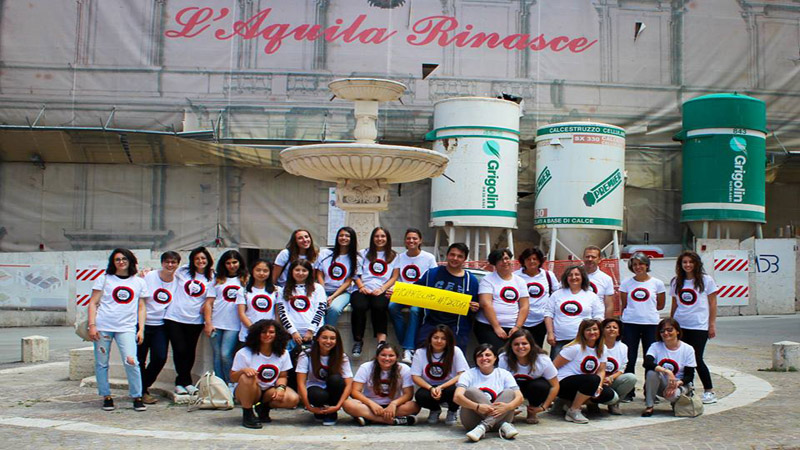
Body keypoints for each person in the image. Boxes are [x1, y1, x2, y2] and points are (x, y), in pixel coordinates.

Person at [87, 248, 150, 412]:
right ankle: (106, 396)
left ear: (130, 261)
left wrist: (141, 329)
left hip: (126, 327)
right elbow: (93, 303)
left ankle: (137, 396)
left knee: (132, 361)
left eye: (124, 259)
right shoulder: (104, 279)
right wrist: (92, 325)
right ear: (112, 262)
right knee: (102, 363)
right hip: (103, 327)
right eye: (117, 259)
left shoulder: (139, 282)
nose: (121, 262)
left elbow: (142, 307)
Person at [164, 246, 216, 395]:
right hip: (175, 317)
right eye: (197, 258)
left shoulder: (212, 277)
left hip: (195, 320)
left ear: (208, 260)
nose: (200, 261)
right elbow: (167, 272)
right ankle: (181, 382)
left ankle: (185, 382)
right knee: (179, 349)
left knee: (190, 351)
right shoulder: (184, 272)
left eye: (203, 258)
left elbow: (211, 298)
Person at [230, 319, 299, 428]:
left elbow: (282, 376)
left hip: (268, 390)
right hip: (248, 390)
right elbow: (233, 378)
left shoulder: (283, 353)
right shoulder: (244, 353)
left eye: (271, 332)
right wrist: (243, 371)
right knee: (247, 378)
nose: (267, 335)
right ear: (257, 334)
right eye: (263, 332)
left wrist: (281, 388)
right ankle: (247, 413)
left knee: (292, 398)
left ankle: (263, 408)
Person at [670, 250, 718, 404]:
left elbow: (712, 303)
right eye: (684, 262)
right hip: (680, 325)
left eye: (691, 262)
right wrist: (671, 323)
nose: (688, 265)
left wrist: (711, 324)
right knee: (683, 358)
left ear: (697, 263)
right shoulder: (676, 281)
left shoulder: (706, 280)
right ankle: (688, 386)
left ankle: (709, 390)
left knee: (696, 358)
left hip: (699, 325)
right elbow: (674, 303)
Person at [618, 252, 665, 401]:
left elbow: (660, 304)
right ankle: (628, 391)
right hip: (630, 324)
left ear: (647, 265)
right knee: (629, 357)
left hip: (651, 324)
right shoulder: (626, 283)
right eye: (635, 265)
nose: (638, 267)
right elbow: (624, 304)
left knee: (650, 358)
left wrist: (646, 311)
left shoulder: (657, 283)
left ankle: (650, 392)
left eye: (641, 264)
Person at [415, 243, 480, 351]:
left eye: (460, 256)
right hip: (431, 323)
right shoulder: (432, 273)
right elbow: (414, 291)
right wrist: (396, 291)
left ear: (465, 259)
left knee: (454, 357)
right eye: (452, 255)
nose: (455, 258)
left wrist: (475, 307)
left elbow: (476, 305)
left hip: (457, 327)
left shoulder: (471, 280)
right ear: (447, 255)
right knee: (422, 352)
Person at [388, 228, 439, 364]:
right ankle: (407, 344)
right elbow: (396, 277)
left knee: (415, 311)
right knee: (392, 307)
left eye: (415, 238)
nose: (411, 241)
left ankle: (408, 348)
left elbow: (433, 278)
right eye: (409, 238)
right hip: (403, 293)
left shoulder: (429, 258)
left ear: (420, 240)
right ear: (405, 241)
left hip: (420, 295)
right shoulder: (400, 257)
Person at [453, 344, 523, 442]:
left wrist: (508, 407)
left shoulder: (504, 374)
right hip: (473, 422)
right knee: (471, 391)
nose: (484, 358)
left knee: (509, 392)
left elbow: (520, 397)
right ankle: (501, 425)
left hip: (497, 417)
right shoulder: (468, 374)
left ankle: (483, 427)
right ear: (475, 359)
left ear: (495, 358)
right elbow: (457, 397)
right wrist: (477, 407)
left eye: (488, 355)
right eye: (480, 355)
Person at [553, 319, 615, 424]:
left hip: (586, 384)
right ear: (582, 332)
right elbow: (553, 367)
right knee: (592, 379)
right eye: (588, 330)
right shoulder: (574, 348)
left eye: (595, 329)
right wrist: (553, 389)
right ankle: (574, 410)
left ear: (600, 331)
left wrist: (599, 387)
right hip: (564, 383)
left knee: (608, 394)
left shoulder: (602, 348)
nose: (592, 332)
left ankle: (568, 403)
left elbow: (601, 370)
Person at [138, 251, 180, 404]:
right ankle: (141, 392)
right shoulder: (150, 276)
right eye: (167, 262)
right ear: (162, 263)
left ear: (177, 264)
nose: (170, 265)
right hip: (143, 323)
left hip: (161, 326)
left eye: (173, 262)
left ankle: (142, 386)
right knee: (139, 359)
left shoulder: (178, 280)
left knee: (160, 357)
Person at [344, 343, 420, 425]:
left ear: (397, 357)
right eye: (383, 355)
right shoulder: (366, 367)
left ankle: (369, 418)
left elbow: (408, 394)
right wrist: (371, 403)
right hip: (369, 406)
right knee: (348, 404)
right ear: (377, 356)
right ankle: (392, 421)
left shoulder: (404, 369)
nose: (387, 358)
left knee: (414, 406)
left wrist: (394, 404)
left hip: (394, 406)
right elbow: (355, 391)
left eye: (391, 356)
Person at [350, 227, 398, 357]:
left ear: (387, 239)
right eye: (377, 236)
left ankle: (381, 342)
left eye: (383, 236)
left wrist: (382, 289)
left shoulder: (394, 256)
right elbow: (355, 274)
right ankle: (358, 340)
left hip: (381, 289)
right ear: (372, 238)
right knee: (359, 306)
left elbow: (394, 276)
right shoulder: (363, 253)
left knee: (379, 306)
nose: (379, 239)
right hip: (362, 288)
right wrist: (361, 287)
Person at [411, 325, 469, 425]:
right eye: (436, 337)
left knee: (456, 390)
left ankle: (452, 411)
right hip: (430, 387)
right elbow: (415, 376)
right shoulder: (420, 352)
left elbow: (462, 374)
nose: (439, 341)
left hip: (449, 386)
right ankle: (435, 410)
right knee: (420, 395)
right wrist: (431, 388)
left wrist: (441, 387)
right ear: (430, 339)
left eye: (443, 338)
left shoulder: (455, 351)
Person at [296, 325, 354, 426]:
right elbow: (301, 383)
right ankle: (320, 409)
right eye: (324, 337)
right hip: (315, 388)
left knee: (336, 379)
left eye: (332, 338)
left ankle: (331, 412)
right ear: (317, 338)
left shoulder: (342, 357)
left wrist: (338, 406)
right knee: (318, 395)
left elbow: (349, 384)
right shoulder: (306, 355)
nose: (328, 341)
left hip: (333, 389)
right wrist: (309, 406)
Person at [474, 248, 530, 352]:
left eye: (507, 258)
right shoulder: (487, 280)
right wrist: (497, 327)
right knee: (499, 354)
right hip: (489, 327)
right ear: (495, 263)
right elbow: (486, 304)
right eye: (500, 259)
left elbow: (524, 306)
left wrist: (517, 327)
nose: (505, 262)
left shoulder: (520, 281)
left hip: (513, 328)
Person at [544, 265, 605, 359]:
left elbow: (598, 316)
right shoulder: (557, 295)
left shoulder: (592, 296)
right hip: (560, 340)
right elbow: (548, 314)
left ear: (583, 277)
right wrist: (550, 333)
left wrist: (593, 335)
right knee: (557, 366)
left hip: (583, 340)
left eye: (577, 274)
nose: (573, 277)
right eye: (570, 275)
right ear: (566, 278)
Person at [499, 329, 559, 424]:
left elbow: (555, 386)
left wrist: (543, 407)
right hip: (514, 389)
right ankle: (510, 412)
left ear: (531, 344)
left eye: (524, 343)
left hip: (532, 388)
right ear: (511, 346)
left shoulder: (543, 360)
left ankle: (532, 411)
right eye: (516, 344)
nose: (520, 347)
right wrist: (508, 407)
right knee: (506, 387)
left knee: (541, 385)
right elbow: (500, 384)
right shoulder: (504, 358)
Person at [206, 250, 247, 384]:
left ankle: (231, 383)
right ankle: (219, 384)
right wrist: (208, 323)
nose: (232, 266)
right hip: (216, 322)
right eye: (228, 263)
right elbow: (209, 303)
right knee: (217, 355)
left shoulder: (246, 280)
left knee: (226, 354)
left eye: (234, 262)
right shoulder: (217, 280)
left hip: (234, 324)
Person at [641, 318, 697, 417]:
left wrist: (676, 384)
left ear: (677, 331)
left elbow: (689, 375)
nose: (666, 333)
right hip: (663, 383)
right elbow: (647, 363)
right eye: (662, 331)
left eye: (670, 330)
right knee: (651, 373)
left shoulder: (688, 349)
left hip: (680, 383)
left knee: (672, 396)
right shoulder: (655, 346)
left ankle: (678, 400)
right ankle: (649, 406)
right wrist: (667, 372)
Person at [515, 247, 560, 348]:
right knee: (520, 348)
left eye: (535, 259)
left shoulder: (548, 276)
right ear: (523, 261)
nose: (532, 261)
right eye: (528, 259)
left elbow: (556, 295)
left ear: (540, 261)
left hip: (541, 321)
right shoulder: (515, 276)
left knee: (536, 349)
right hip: (520, 320)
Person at [276, 259, 327, 350]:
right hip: (291, 336)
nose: (300, 273)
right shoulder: (283, 290)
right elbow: (283, 312)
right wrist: (293, 332)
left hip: (314, 334)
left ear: (309, 272)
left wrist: (311, 330)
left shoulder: (318, 288)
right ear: (291, 271)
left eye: (304, 270)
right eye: (297, 270)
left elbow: (320, 310)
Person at [316, 226, 359, 326]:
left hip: (343, 292)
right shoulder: (325, 253)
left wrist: (333, 296)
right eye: (341, 235)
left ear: (352, 239)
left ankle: (328, 332)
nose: (344, 238)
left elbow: (348, 281)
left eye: (347, 236)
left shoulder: (355, 258)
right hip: (323, 290)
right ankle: (318, 333)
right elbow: (319, 274)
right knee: (319, 308)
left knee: (334, 309)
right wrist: (322, 292)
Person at [236, 259, 281, 343]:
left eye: (265, 271)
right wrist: (255, 330)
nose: (261, 273)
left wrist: (271, 330)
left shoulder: (277, 291)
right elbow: (241, 314)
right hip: (248, 334)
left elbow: (277, 314)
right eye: (258, 270)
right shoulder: (243, 291)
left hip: (269, 335)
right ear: (252, 271)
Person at [600, 318, 636, 415]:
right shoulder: (596, 345)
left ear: (619, 332)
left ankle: (614, 404)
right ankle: (592, 404)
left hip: (612, 380)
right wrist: (601, 379)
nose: (611, 329)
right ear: (602, 330)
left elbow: (622, 369)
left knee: (631, 378)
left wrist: (611, 378)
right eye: (608, 327)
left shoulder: (623, 347)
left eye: (615, 327)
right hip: (597, 379)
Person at [582, 246, 615, 318]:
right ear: (583, 258)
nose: (590, 259)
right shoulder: (572, 276)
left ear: (599, 260)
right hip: (576, 318)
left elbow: (609, 305)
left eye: (593, 257)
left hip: (597, 319)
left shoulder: (606, 279)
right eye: (587, 257)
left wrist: (607, 322)